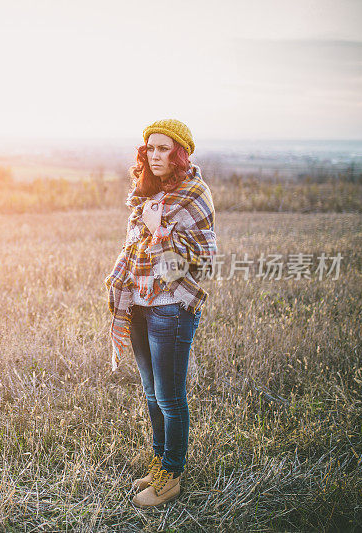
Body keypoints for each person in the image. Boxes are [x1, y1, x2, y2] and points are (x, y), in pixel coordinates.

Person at [104, 119, 217, 507]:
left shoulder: (194, 194)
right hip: (139, 302)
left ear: (180, 153)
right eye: (149, 148)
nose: (155, 155)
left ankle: (171, 475)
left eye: (164, 148)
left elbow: (199, 263)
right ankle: (159, 464)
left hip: (171, 307)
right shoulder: (145, 193)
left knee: (170, 397)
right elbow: (133, 250)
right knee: (152, 394)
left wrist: (161, 230)